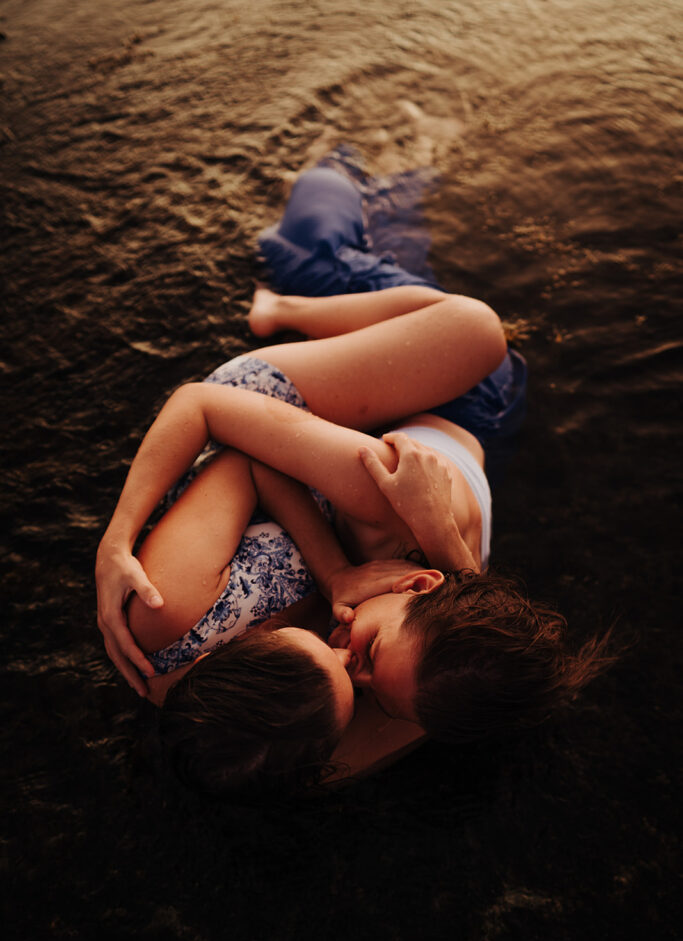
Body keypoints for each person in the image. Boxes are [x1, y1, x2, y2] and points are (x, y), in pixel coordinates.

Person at [96, 164, 608, 797]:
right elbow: (461, 643)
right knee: (470, 332)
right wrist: (428, 535)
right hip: (457, 419)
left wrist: (342, 570)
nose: (347, 655)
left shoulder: (266, 687)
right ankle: (311, 280)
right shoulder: (382, 676)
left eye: (353, 664)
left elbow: (235, 442)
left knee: (345, 230)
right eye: (365, 670)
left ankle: (298, 285)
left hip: (278, 437)